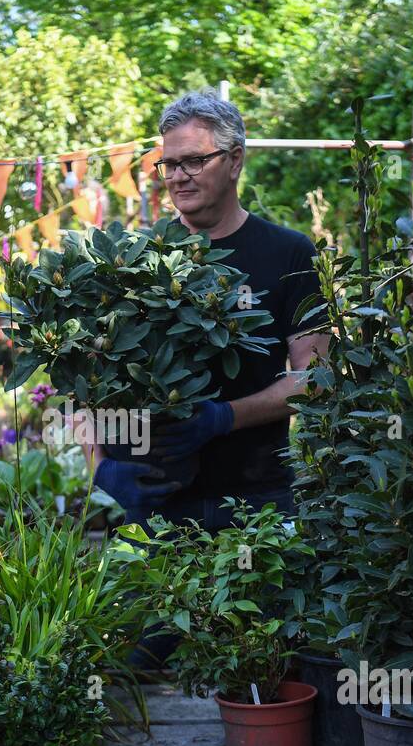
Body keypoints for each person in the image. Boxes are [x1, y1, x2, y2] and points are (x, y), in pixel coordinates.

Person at [91, 90, 330, 533]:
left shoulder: (289, 253)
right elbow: (88, 381)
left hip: (256, 503)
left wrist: (224, 418)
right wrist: (101, 466)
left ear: (235, 161)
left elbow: (314, 380)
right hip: (155, 503)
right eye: (170, 164)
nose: (178, 177)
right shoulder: (133, 260)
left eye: (194, 162)